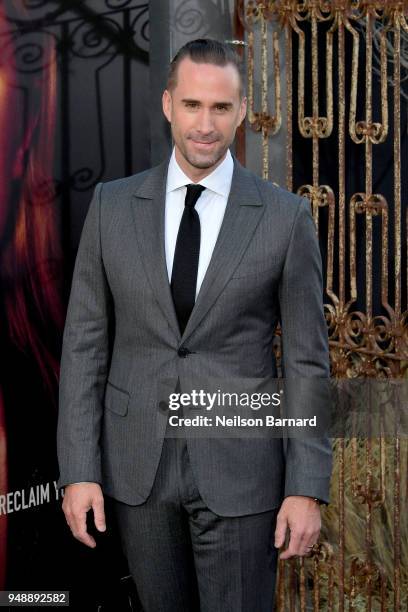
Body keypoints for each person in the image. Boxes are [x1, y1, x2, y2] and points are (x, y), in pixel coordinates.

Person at [57, 39, 332, 611]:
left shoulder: (285, 218)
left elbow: (307, 362)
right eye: (191, 105)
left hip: (242, 473)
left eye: (221, 108)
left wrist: (306, 486)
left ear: (241, 111)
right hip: (138, 473)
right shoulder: (110, 207)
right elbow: (85, 346)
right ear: (166, 105)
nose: (205, 125)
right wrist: (79, 470)